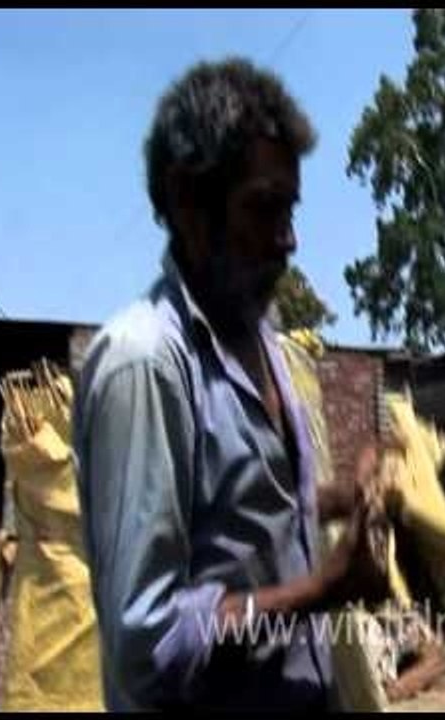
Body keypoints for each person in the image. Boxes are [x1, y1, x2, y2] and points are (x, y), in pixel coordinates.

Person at [72, 57, 388, 711]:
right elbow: (148, 645)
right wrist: (323, 589)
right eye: (264, 209)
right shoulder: (146, 364)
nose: (290, 239)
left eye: (290, 209)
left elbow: (248, 517)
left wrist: (348, 495)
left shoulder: (260, 338)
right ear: (188, 204)